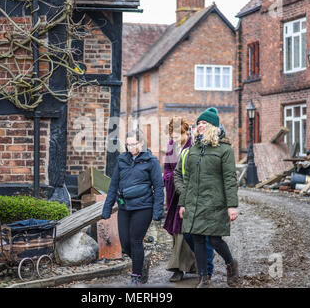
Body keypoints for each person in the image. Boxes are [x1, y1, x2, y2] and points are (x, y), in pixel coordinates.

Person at [178, 107, 239, 288]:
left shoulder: (224, 150)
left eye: (204, 122)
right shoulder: (193, 149)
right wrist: (183, 203)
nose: (200, 126)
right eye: (198, 123)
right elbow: (187, 178)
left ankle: (230, 263)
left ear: (213, 126)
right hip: (195, 202)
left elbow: (230, 179)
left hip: (215, 203)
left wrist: (232, 206)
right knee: (197, 239)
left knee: (214, 239)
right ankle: (203, 279)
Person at [101, 129, 164, 285]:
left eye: (133, 144)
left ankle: (136, 277)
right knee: (125, 242)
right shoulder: (122, 160)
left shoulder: (151, 161)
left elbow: (158, 187)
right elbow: (113, 185)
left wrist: (158, 211)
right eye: (127, 144)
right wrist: (107, 208)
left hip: (143, 207)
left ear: (141, 143)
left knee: (135, 241)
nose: (129, 147)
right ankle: (142, 263)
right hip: (124, 207)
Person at [163, 117, 214, 282]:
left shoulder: (192, 147)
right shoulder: (171, 147)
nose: (175, 138)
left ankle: (186, 267)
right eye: (172, 135)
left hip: (190, 195)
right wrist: (170, 179)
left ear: (187, 132)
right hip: (175, 196)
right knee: (178, 232)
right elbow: (167, 170)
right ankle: (182, 268)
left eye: (178, 135)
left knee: (188, 232)